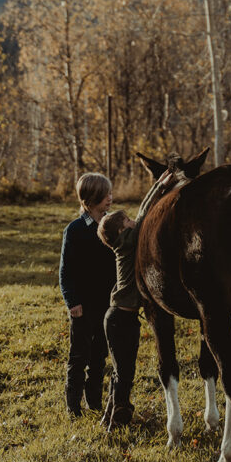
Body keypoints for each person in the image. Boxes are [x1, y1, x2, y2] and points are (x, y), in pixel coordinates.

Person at [96, 169, 175, 431]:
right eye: (127, 221)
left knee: (121, 370)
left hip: (119, 318)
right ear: (122, 230)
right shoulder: (127, 242)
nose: (133, 222)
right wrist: (159, 186)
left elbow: (138, 216)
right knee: (125, 372)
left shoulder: (122, 241)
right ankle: (118, 416)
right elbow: (144, 214)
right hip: (121, 319)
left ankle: (111, 414)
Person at [59, 172, 116, 417]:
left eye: (110, 194)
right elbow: (65, 271)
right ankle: (73, 406)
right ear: (91, 199)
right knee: (79, 356)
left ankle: (94, 402)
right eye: (106, 195)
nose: (110, 199)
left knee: (99, 357)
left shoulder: (112, 227)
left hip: (107, 304)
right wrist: (72, 302)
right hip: (82, 306)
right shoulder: (75, 230)